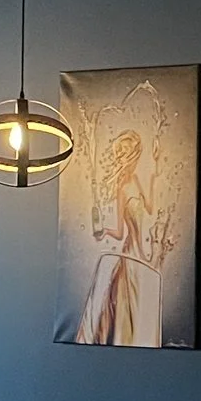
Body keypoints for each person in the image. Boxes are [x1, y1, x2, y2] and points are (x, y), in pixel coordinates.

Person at [80, 129, 161, 347]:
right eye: (122, 152)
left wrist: (154, 173)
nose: (125, 156)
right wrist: (103, 231)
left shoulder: (137, 180)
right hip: (132, 257)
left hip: (145, 253)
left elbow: (152, 210)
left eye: (128, 151)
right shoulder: (122, 187)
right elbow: (118, 231)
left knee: (142, 310)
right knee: (130, 313)